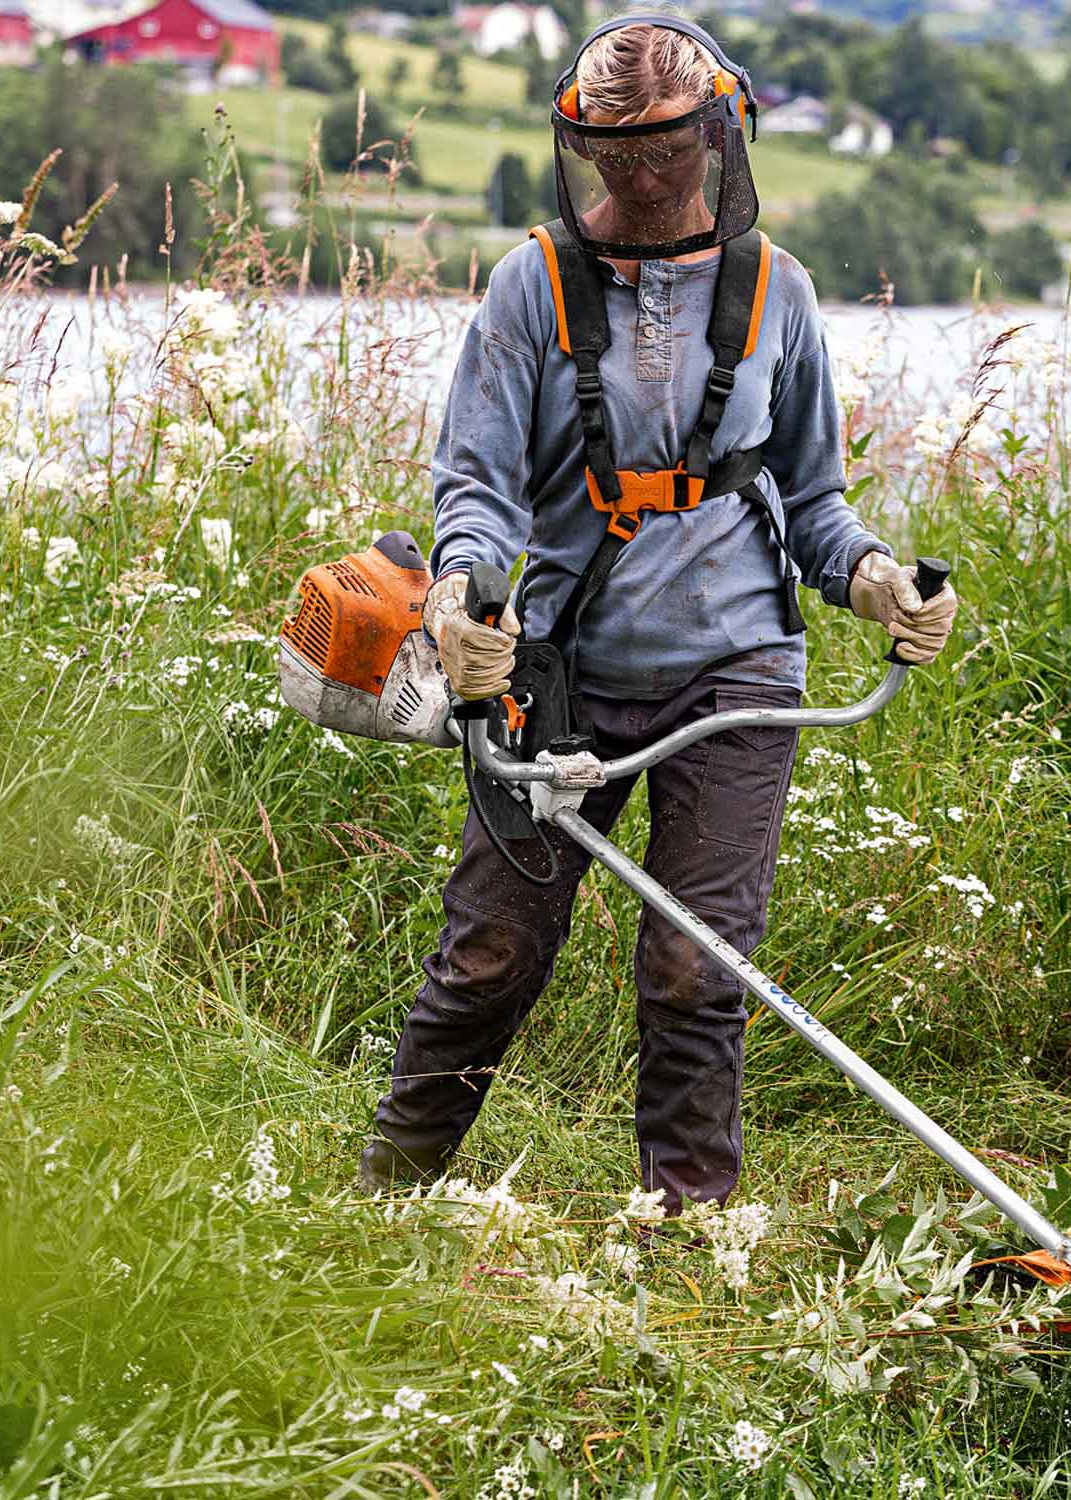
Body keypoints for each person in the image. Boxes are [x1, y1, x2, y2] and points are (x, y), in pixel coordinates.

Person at [359, 14, 958, 1213]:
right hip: (562, 666)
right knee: (488, 958)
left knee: (696, 965)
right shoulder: (530, 285)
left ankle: (688, 1243)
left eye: (661, 157)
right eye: (612, 160)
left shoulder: (776, 292)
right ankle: (376, 1204)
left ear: (720, 136)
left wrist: (880, 579)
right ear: (579, 149)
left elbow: (817, 503)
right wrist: (463, 596)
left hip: (735, 670)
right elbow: (474, 487)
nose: (636, 183)